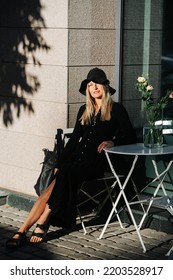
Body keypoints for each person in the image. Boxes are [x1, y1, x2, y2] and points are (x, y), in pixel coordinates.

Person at [6, 67, 137, 248]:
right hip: (74, 161)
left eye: (97, 83)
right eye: (90, 85)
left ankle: (43, 220)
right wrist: (58, 163)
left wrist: (112, 142)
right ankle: (24, 229)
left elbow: (131, 137)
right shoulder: (85, 109)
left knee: (63, 177)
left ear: (105, 86)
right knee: (50, 189)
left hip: (97, 163)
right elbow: (74, 140)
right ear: (88, 90)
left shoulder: (117, 109)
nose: (94, 88)